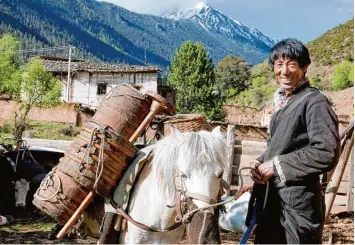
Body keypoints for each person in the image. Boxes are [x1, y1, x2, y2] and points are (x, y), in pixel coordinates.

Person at [246, 38, 341, 244]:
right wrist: (260, 162)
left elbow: (326, 152)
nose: (285, 71)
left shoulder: (315, 102)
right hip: (271, 204)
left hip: (297, 207)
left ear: (305, 67)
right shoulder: (284, 102)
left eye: (292, 64)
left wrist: (277, 165)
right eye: (279, 65)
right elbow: (280, 147)